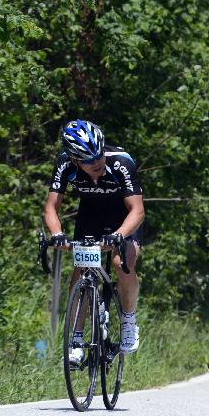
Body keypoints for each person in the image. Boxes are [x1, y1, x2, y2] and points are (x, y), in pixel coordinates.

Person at [43, 120, 145, 366]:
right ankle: (76, 340)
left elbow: (138, 211)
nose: (97, 163)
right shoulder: (65, 164)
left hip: (125, 216)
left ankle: (129, 321)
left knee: (123, 264)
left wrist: (119, 234)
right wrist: (57, 234)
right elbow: (50, 208)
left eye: (98, 156)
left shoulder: (121, 162)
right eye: (88, 161)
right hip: (91, 217)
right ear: (75, 160)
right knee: (80, 272)